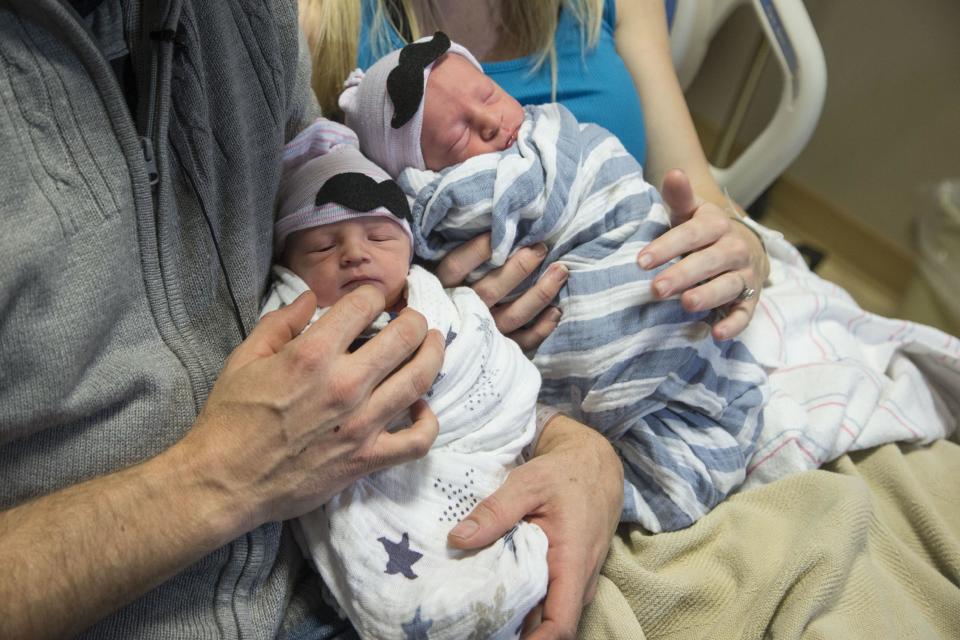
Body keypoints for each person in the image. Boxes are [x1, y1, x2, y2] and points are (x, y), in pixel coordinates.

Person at [0, 2, 622, 639]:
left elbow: (390, 281)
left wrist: (572, 447)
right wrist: (215, 481)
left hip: (472, 515)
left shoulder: (247, 22)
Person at [339, 32, 769, 533]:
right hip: (542, 387)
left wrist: (749, 247)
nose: (492, 121)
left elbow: (691, 188)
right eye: (458, 140)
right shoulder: (441, 196)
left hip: (676, 278)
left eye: (489, 95)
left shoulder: (553, 135)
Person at [299, 0, 772, 346]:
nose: (490, 121)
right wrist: (450, 317)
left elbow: (700, 191)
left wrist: (745, 245)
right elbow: (295, 259)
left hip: (668, 307)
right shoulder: (311, 22)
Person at [265, 118, 550, 639]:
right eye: (324, 247)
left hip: (466, 449)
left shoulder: (442, 304)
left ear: (409, 248)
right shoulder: (291, 323)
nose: (354, 253)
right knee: (407, 588)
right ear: (288, 266)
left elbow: (491, 366)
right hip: (368, 478)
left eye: (378, 236)